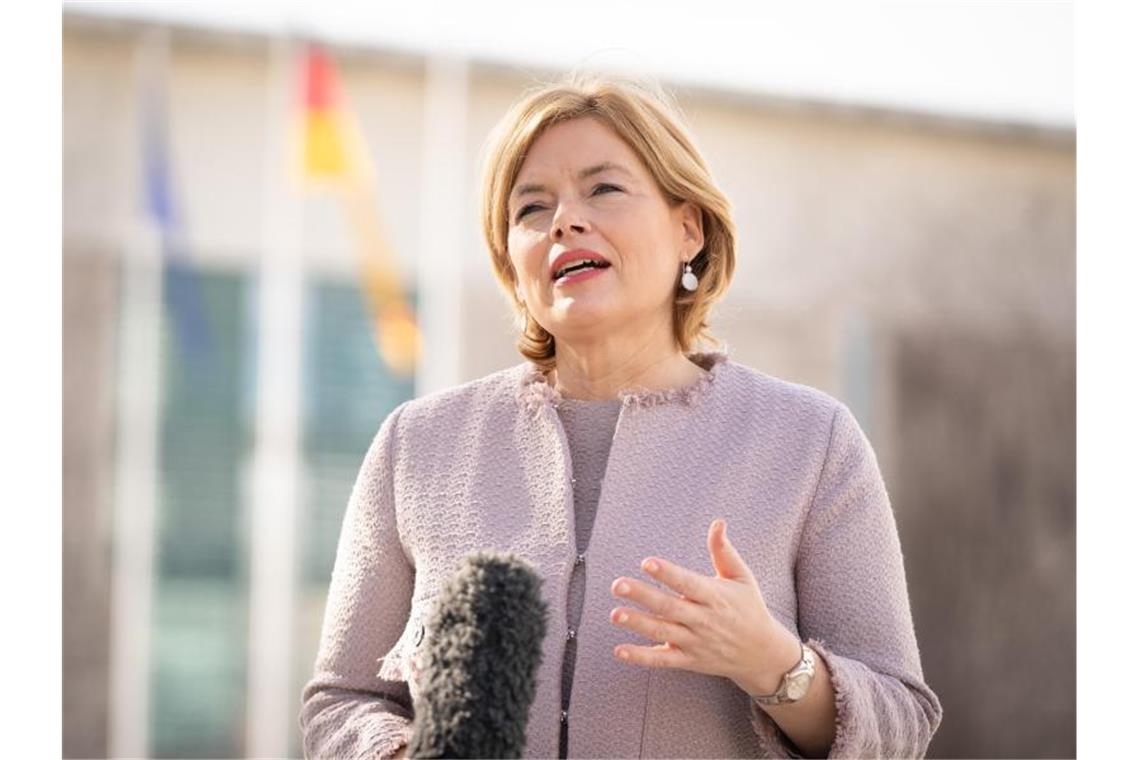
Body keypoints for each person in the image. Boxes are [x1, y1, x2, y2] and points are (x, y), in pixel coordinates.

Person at [300, 73, 943, 759]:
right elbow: (340, 703)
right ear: (513, 266)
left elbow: (900, 725)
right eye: (531, 208)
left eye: (603, 189)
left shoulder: (813, 443)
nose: (564, 221)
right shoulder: (417, 447)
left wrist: (775, 666)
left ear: (688, 229)